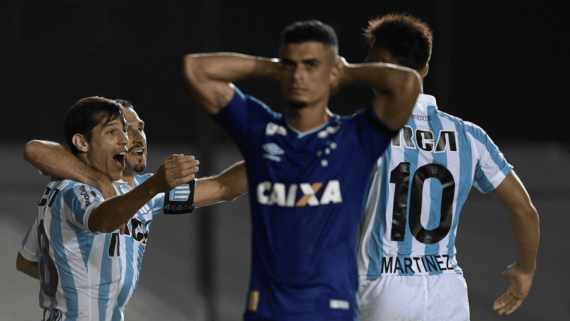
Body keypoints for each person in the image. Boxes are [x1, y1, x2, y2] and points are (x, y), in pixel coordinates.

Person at [183, 20, 421, 320]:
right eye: (291, 65)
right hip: (267, 311)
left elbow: (408, 83)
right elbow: (196, 68)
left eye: (311, 65)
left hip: (330, 311)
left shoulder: (356, 139)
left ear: (330, 69)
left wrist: (344, 71)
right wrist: (274, 67)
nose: (298, 75)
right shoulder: (259, 131)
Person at [355, 13, 540, 320]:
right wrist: (525, 270)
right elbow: (525, 212)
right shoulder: (470, 135)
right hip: (447, 291)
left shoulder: (366, 130)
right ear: (425, 68)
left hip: (381, 288)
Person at [17, 99, 248, 320]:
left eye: (139, 128)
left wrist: (269, 157)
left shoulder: (140, 190)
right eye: (120, 130)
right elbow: (102, 219)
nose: (135, 138)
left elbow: (224, 187)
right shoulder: (76, 190)